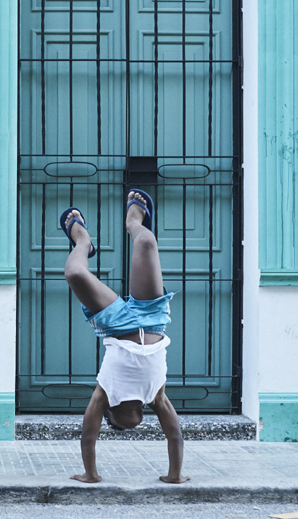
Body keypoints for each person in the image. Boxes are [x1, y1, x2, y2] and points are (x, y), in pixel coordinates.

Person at [59, 190, 189, 484]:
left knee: (74, 273)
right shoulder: (156, 396)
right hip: (154, 320)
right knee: (145, 241)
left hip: (116, 324)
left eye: (118, 423)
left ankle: (83, 242)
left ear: (110, 414)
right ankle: (134, 222)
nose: (130, 421)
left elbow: (88, 436)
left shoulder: (104, 394)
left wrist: (90, 474)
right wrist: (175, 474)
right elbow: (175, 435)